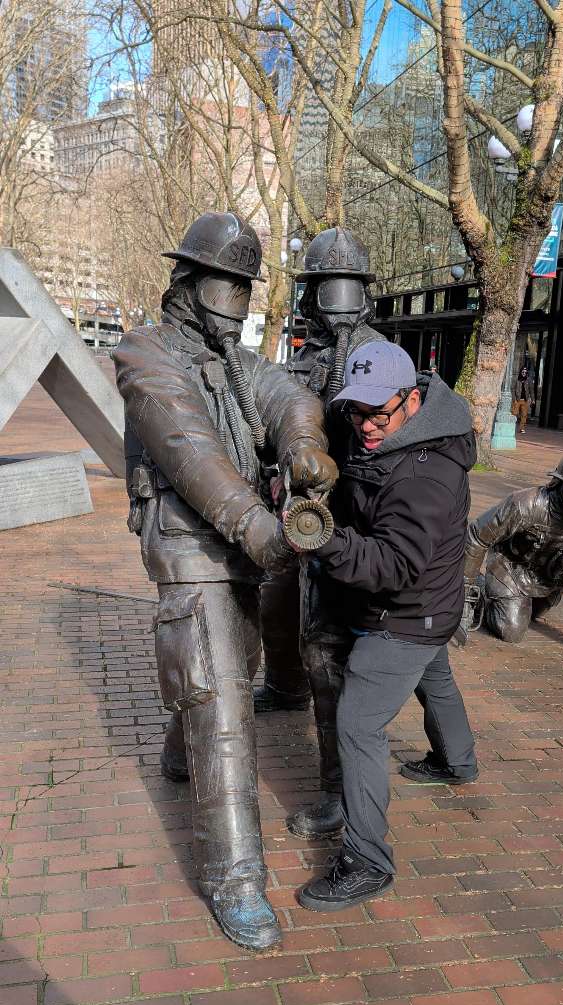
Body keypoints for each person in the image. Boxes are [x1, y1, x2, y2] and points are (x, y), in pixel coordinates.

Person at [113, 211, 337, 951]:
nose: (234, 304)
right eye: (224, 286)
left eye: (244, 291)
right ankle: (236, 878)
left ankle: (179, 751)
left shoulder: (237, 360)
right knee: (222, 696)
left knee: (230, 661)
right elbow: (188, 450)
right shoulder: (146, 353)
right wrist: (262, 532)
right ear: (186, 281)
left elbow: (288, 396)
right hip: (187, 538)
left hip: (244, 541)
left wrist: (303, 447)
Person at [296, 341, 478, 912]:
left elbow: (394, 567)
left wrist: (325, 539)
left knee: (357, 724)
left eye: (379, 413)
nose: (366, 426)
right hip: (436, 603)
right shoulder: (386, 435)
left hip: (404, 614)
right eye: (358, 411)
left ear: (413, 398)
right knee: (436, 678)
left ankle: (368, 860)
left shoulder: (427, 476)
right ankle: (458, 762)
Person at [255, 227, 386, 714]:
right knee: (278, 596)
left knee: (333, 624)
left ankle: (350, 722)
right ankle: (286, 686)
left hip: (353, 504)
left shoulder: (375, 355)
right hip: (299, 497)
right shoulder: (308, 352)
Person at [457, 448, 563, 671]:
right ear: (558, 484)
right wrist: (463, 591)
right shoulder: (526, 504)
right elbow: (477, 535)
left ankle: (510, 600)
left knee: (530, 615)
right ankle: (485, 588)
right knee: (511, 630)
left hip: (547, 584)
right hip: (509, 569)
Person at [511, 364, 534, 433]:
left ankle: (522, 428)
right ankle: (511, 427)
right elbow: (513, 389)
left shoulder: (528, 381)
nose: (524, 373)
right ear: (521, 372)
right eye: (523, 372)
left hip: (525, 400)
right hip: (517, 400)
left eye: (525, 372)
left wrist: (533, 400)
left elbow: (531, 391)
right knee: (514, 413)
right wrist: (514, 399)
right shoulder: (517, 379)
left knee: (524, 415)